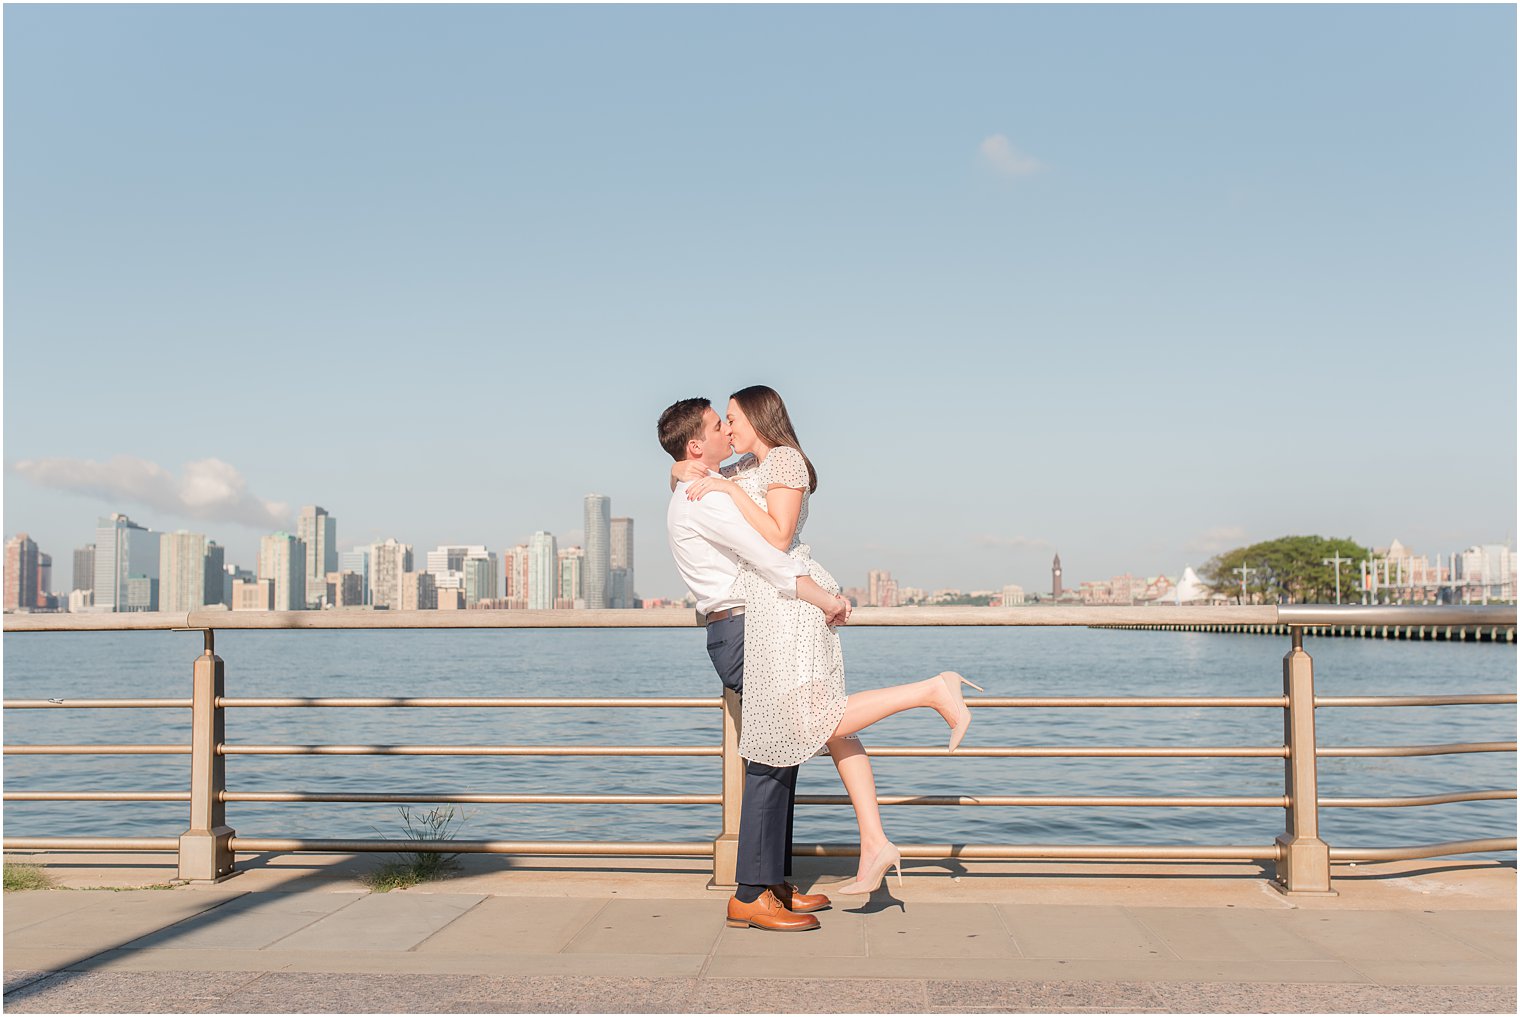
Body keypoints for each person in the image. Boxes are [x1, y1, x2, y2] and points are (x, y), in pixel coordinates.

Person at [673, 385, 982, 898]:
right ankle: (875, 843)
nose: (726, 429)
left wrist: (725, 491)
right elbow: (688, 469)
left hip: (792, 603)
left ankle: (932, 690)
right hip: (771, 605)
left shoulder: (785, 462)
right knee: (829, 725)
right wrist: (686, 470)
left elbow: (777, 536)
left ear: (756, 415)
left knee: (816, 718)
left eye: (732, 418)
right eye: (721, 424)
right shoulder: (743, 468)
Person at [659, 396, 849, 932]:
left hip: (748, 625)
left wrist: (680, 468)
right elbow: (771, 555)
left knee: (782, 749)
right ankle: (749, 893)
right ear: (699, 445)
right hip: (742, 628)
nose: (727, 430)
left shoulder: (701, 485)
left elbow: (689, 474)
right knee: (770, 754)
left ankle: (773, 883)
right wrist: (825, 599)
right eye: (719, 425)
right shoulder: (706, 499)